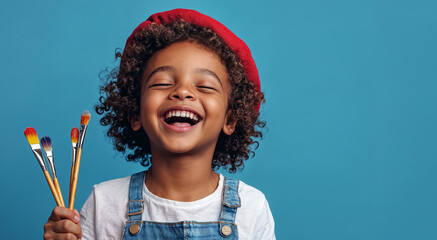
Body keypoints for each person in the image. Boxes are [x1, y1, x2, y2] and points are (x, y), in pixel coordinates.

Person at [43, 8, 275, 240]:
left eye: (204, 86)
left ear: (230, 119)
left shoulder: (251, 208)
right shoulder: (105, 202)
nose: (182, 91)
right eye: (162, 83)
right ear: (135, 112)